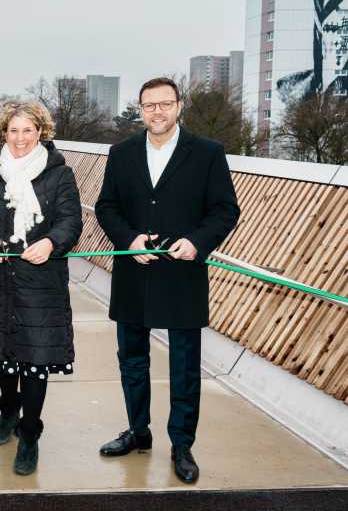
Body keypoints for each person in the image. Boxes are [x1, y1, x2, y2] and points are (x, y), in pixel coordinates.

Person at [94, 77, 240, 484]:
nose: (156, 112)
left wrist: (197, 242)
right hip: (134, 271)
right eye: (148, 105)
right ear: (140, 109)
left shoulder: (208, 153)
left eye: (164, 104)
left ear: (179, 106)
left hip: (182, 273)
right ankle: (138, 432)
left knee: (184, 366)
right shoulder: (121, 154)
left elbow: (225, 210)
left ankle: (181, 444)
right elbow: (107, 207)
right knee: (132, 360)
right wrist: (128, 238)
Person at [0, 101, 81, 475]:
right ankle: (9, 410)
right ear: (3, 134)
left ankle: (29, 433)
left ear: (40, 132)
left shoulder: (60, 175)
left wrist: (52, 243)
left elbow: (70, 221)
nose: (21, 138)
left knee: (36, 359)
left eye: (28, 130)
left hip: (41, 283)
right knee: (3, 352)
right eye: (13, 131)